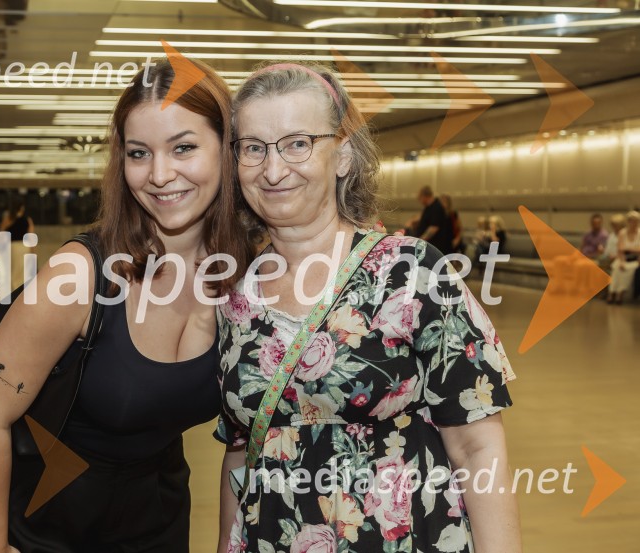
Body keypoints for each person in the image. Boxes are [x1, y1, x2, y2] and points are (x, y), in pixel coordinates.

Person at [216, 63, 521, 553]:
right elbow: (240, 454)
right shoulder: (235, 295)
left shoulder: (415, 274)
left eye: (298, 143)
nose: (273, 170)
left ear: (343, 155)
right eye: (254, 148)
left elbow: (477, 448)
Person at [0, 58, 253, 553]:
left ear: (227, 150)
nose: (160, 175)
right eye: (140, 153)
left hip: (159, 523)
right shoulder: (79, 275)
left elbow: (245, 436)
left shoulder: (246, 279)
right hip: (52, 527)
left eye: (183, 147)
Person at [606, 210, 640, 305]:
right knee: (617, 268)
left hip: (635, 260)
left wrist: (629, 248)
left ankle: (620, 294)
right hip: (623, 258)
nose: (634, 223)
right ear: (628, 222)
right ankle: (612, 292)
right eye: (632, 221)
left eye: (636, 221)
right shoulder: (622, 233)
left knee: (628, 270)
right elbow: (620, 249)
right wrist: (622, 261)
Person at [0, 201, 36, 287]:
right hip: (24, 247)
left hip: (11, 247)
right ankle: (21, 292)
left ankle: (13, 291)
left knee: (12, 271)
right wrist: (33, 250)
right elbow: (31, 236)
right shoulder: (27, 220)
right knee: (23, 271)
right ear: (22, 208)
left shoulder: (8, 219)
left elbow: (1, 234)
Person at [413, 185, 454, 254]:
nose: (419, 200)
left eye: (420, 197)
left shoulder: (436, 207)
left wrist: (420, 241)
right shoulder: (428, 208)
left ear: (425, 196)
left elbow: (433, 228)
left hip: (435, 247)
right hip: (429, 245)